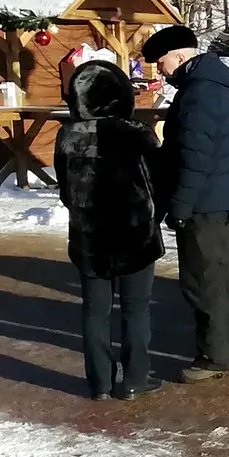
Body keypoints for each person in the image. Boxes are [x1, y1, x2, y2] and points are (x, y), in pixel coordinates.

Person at [142, 25, 229, 383]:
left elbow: (193, 159)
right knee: (222, 276)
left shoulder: (198, 95)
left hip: (202, 202)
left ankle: (216, 354)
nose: (159, 69)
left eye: (160, 62)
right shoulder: (213, 87)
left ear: (179, 56)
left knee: (203, 280)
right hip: (217, 198)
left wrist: (178, 206)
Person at [54, 60, 165, 401]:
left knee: (94, 311)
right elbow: (158, 183)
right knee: (136, 310)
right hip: (135, 235)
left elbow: (64, 189)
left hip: (90, 237)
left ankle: (99, 383)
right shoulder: (137, 133)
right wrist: (151, 218)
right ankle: (134, 379)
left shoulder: (66, 135)